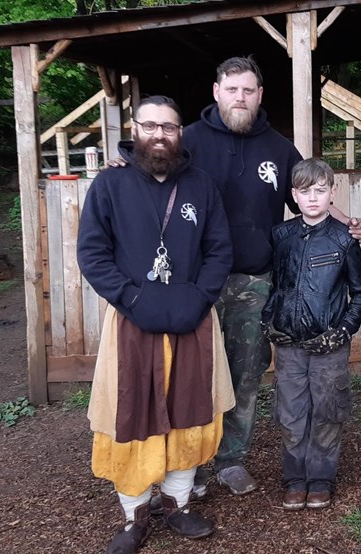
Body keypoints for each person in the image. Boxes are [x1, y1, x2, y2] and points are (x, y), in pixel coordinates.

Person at [179, 56, 361, 496]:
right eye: (232, 89)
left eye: (248, 90)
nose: (240, 98)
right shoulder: (189, 141)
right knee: (198, 375)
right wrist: (119, 168)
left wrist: (348, 225)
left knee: (246, 375)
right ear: (216, 92)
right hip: (197, 283)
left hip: (254, 281)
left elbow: (308, 190)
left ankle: (230, 460)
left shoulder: (278, 148)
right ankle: (194, 465)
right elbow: (150, 173)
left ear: (260, 95)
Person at [77, 95, 234, 554]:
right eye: (150, 126)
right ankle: (135, 515)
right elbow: (92, 252)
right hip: (132, 324)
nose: (159, 135)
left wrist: (200, 298)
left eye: (168, 126)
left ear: (179, 132)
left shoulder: (201, 186)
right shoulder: (109, 186)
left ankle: (178, 504)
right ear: (135, 130)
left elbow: (220, 248)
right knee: (131, 416)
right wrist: (130, 298)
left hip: (193, 321)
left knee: (191, 414)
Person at [260, 158, 361, 511]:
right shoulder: (281, 236)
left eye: (320, 191)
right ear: (294, 195)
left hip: (328, 347)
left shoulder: (344, 239)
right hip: (289, 346)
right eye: (305, 192)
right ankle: (295, 478)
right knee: (291, 412)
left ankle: (321, 477)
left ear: (332, 193)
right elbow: (275, 285)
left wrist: (342, 331)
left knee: (327, 410)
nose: (313, 198)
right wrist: (269, 320)